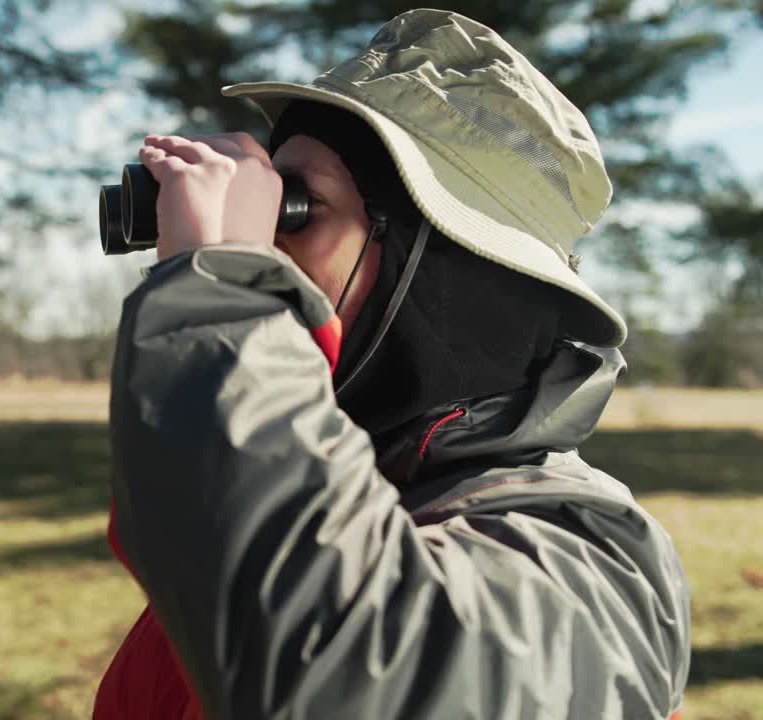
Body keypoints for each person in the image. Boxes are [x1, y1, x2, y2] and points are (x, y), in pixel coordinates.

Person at [93, 9, 691, 720]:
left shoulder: (592, 566)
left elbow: (330, 672)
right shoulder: (281, 504)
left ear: (441, 274)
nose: (258, 240)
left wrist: (221, 291)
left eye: (294, 207)